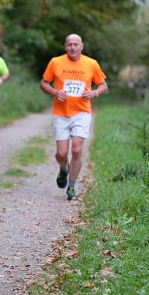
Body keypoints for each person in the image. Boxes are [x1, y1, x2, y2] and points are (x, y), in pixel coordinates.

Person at [40, 34, 107, 201]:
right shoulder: (55, 62)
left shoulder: (91, 64)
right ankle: (63, 168)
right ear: (65, 46)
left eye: (75, 44)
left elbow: (103, 85)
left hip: (82, 112)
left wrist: (95, 92)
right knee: (61, 153)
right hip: (61, 114)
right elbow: (44, 83)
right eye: (69, 44)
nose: (72, 47)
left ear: (81, 46)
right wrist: (55, 92)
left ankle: (71, 187)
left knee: (77, 149)